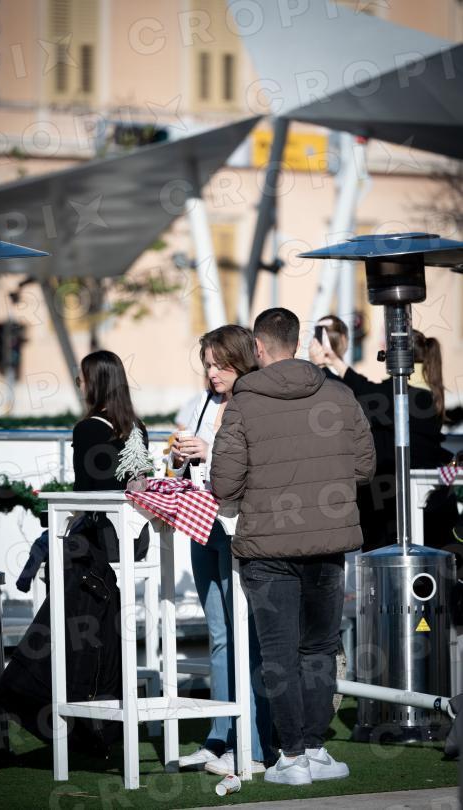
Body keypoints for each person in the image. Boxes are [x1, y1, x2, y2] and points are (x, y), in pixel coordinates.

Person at [211, 307, 376, 786]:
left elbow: (224, 483)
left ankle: (292, 757)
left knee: (279, 654)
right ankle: (315, 749)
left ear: (258, 347)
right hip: (327, 543)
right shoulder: (340, 394)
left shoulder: (243, 402)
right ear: (298, 342)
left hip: (267, 549)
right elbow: (364, 466)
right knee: (319, 649)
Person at [171, 325, 274, 775]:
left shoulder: (257, 403)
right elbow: (180, 466)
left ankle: (253, 744)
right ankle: (219, 738)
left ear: (241, 360)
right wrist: (178, 458)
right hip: (203, 525)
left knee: (245, 636)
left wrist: (209, 450)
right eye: (208, 365)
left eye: (220, 364)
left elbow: (256, 466)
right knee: (218, 634)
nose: (213, 373)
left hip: (242, 529)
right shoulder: (201, 404)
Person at [309, 321, 456, 551]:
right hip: (416, 505)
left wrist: (322, 366)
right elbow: (366, 390)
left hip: (394, 508)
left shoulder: (407, 396)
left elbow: (362, 394)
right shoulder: (424, 392)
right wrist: (333, 361)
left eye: (385, 351)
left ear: (398, 358)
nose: (382, 355)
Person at [16, 349, 149, 591]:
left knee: (49, 546)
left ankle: (54, 612)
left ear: (95, 385)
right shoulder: (137, 426)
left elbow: (83, 492)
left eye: (81, 380)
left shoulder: (87, 429)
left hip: (104, 540)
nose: (80, 386)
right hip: (138, 540)